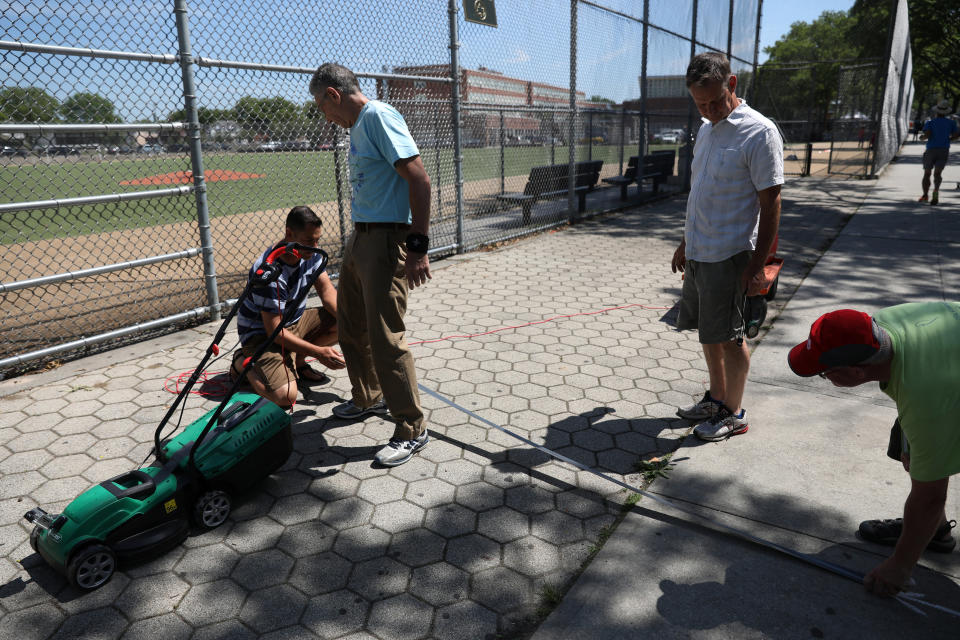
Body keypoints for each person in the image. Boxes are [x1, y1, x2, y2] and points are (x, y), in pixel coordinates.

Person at [788, 304, 960, 596]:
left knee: (926, 476)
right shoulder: (883, 324)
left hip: (942, 385)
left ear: (855, 371)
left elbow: (930, 496)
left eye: (823, 373)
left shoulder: (925, 399)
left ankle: (922, 535)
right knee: (911, 449)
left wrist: (900, 566)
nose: (825, 379)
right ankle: (934, 532)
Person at [309, 62, 432, 467]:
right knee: (351, 325)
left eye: (322, 107)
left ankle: (412, 427)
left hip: (386, 239)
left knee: (385, 339)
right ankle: (368, 398)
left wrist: (416, 247)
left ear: (334, 94)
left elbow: (419, 179)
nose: (325, 117)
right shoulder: (358, 125)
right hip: (362, 236)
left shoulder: (378, 116)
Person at [670, 52, 783, 441]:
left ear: (732, 84)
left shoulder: (759, 132)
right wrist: (686, 241)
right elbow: (701, 193)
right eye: (700, 104)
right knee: (709, 332)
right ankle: (716, 399)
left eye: (715, 101)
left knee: (730, 337)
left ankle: (734, 413)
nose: (709, 110)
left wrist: (757, 265)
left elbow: (771, 205)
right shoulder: (706, 129)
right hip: (700, 251)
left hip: (730, 254)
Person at [231, 206, 346, 408]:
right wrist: (319, 352)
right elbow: (274, 332)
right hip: (263, 336)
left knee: (345, 319)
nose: (315, 246)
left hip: (294, 322)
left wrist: (355, 323)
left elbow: (327, 293)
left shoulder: (311, 253)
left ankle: (298, 363)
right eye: (309, 241)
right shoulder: (269, 272)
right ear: (289, 234)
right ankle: (242, 364)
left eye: (317, 239)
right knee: (286, 398)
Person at [918, 99, 959, 205]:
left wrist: (922, 138)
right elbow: (956, 135)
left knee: (927, 173)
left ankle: (925, 195)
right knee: (938, 174)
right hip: (944, 150)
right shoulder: (951, 123)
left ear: (936, 111)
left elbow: (927, 135)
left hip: (931, 149)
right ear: (947, 112)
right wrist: (948, 139)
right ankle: (936, 191)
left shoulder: (930, 122)